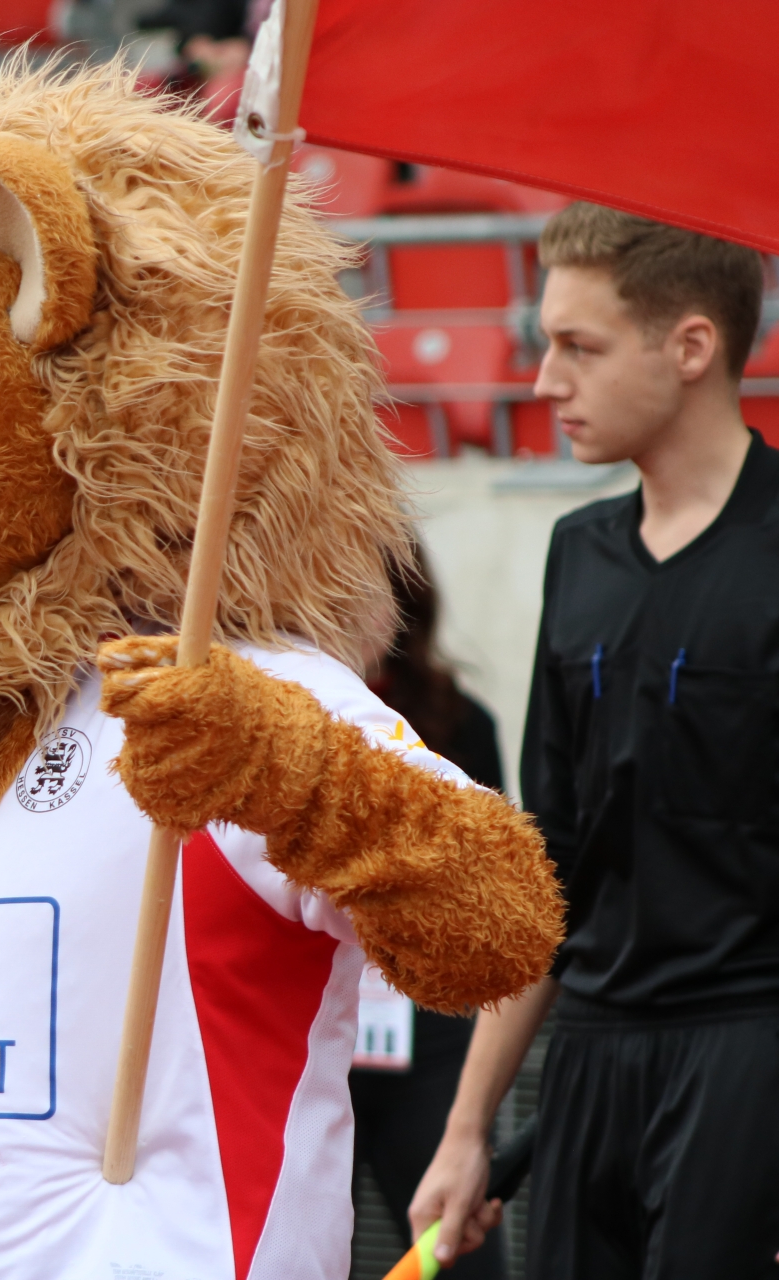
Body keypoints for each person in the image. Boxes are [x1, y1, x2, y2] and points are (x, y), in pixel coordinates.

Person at [409, 203, 778, 1278]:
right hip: (588, 1058)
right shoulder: (579, 553)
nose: (543, 382)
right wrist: (467, 1128)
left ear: (691, 346)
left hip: (748, 1052)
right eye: (543, 344)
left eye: (581, 346)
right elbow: (551, 863)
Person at [350, 541, 508, 1278]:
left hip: (427, 1036)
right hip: (318, 1034)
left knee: (454, 1253)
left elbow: (493, 880)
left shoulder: (457, 718)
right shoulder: (279, 713)